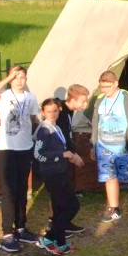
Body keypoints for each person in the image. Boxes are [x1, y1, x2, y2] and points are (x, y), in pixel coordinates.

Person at [0, 65, 40, 253]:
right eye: (15, 77)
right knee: (9, 190)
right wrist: (8, 78)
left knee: (21, 190)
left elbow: (33, 119)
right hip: (7, 149)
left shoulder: (31, 97)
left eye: (22, 77)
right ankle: (7, 233)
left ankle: (21, 227)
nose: (19, 80)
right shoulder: (4, 96)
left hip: (25, 147)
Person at [91, 70, 128, 225]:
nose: (105, 90)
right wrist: (93, 143)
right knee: (110, 178)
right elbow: (95, 122)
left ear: (116, 84)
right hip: (104, 146)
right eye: (102, 87)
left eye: (108, 86)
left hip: (124, 147)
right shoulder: (99, 100)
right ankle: (114, 209)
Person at [33, 98, 84, 255]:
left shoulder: (56, 127)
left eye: (55, 111)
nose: (53, 114)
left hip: (59, 171)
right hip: (52, 174)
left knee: (59, 208)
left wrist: (70, 156)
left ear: (59, 110)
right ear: (43, 112)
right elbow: (38, 154)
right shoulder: (44, 130)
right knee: (72, 206)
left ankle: (60, 242)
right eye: (49, 111)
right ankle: (48, 238)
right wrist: (62, 155)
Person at [46, 83, 89, 239]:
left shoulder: (69, 113)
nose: (85, 105)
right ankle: (55, 224)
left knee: (64, 192)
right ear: (74, 99)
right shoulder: (62, 114)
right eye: (83, 101)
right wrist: (73, 155)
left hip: (64, 157)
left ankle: (64, 222)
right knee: (59, 194)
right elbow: (61, 138)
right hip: (56, 159)